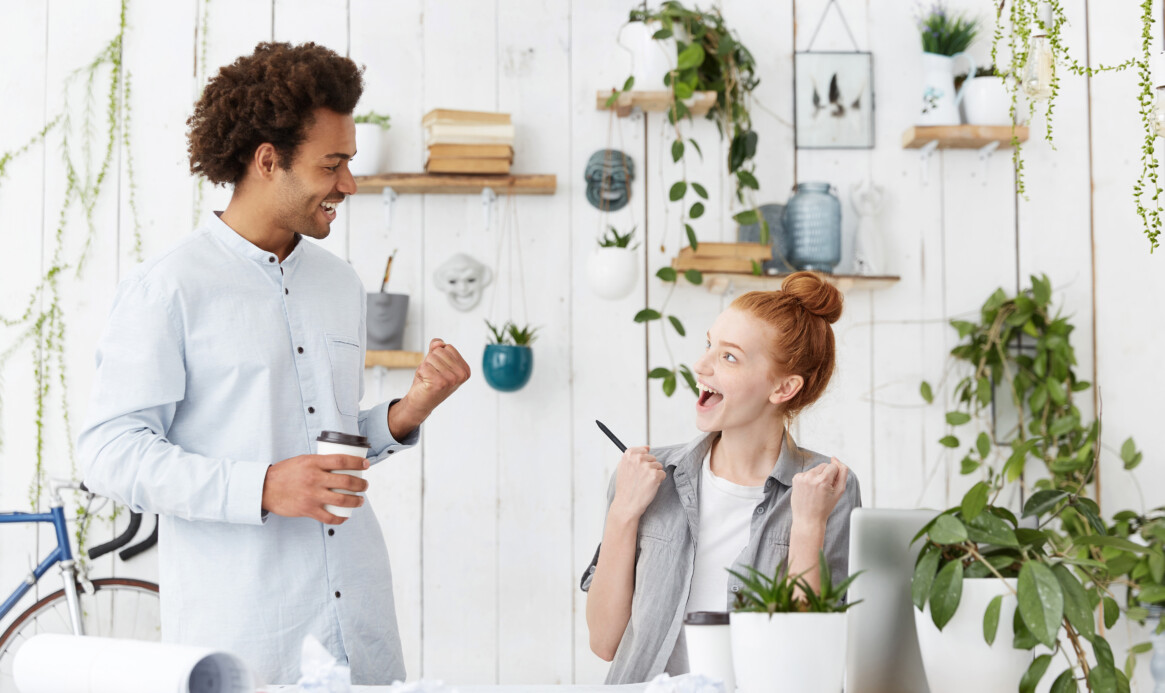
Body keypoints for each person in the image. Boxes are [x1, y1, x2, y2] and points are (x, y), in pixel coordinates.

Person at [78, 42, 470, 685]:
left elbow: (327, 450)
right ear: (268, 161)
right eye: (332, 164)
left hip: (361, 629)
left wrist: (406, 414)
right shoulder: (170, 287)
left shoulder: (339, 284)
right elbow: (109, 451)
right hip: (249, 635)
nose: (348, 184)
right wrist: (261, 486)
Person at [581, 271, 862, 684]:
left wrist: (807, 527)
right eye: (709, 345)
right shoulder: (645, 477)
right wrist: (623, 511)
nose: (701, 364)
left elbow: (811, 662)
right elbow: (605, 642)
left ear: (783, 387)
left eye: (728, 357)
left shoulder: (827, 486)